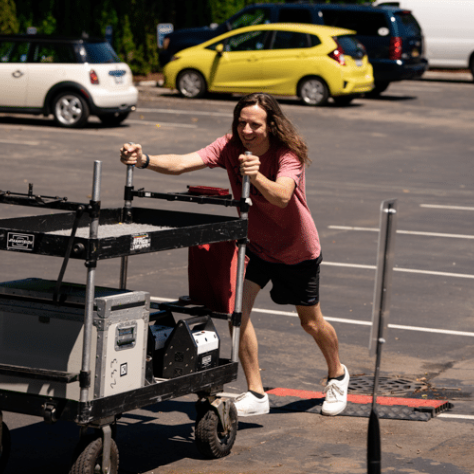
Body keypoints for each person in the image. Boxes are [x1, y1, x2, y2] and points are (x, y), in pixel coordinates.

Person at [120, 92, 349, 417]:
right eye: (242, 122)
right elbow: (184, 162)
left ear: (271, 125)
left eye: (254, 124)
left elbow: (283, 196)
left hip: (297, 250)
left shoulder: (287, 154)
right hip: (256, 248)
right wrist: (145, 160)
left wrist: (255, 175)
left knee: (311, 323)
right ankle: (256, 393)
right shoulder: (229, 146)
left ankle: (337, 374)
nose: (246, 130)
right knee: (237, 315)